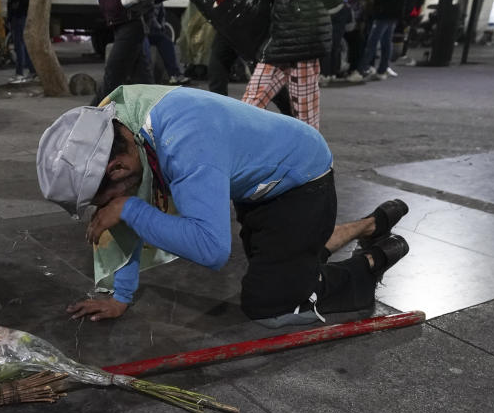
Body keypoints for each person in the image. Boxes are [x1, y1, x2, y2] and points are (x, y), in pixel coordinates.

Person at [36, 85, 410, 327]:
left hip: (302, 186)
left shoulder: (185, 143)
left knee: (270, 306)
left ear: (116, 167)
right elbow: (133, 203)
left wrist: (127, 209)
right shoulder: (116, 120)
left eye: (100, 200)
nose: (103, 209)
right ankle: (367, 225)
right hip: (259, 183)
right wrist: (121, 295)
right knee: (282, 260)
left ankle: (370, 263)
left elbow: (212, 249)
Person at [241, 0, 351, 130]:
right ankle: (239, 146)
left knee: (302, 115)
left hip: (300, 29)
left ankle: (310, 155)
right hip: (293, 31)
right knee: (254, 103)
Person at [94, 0, 159, 103]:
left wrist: (125, 0)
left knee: (112, 77)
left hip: (133, 17)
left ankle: (87, 121)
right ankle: (154, 118)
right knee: (142, 80)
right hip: (116, 19)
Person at [355, 0, 414, 80]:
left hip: (384, 11)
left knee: (373, 41)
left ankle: (360, 70)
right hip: (394, 12)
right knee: (386, 41)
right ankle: (382, 69)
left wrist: (376, 4)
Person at [1, 0, 36, 83]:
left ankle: (20, 73)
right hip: (17, 15)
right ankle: (32, 71)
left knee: (19, 44)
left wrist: (17, 9)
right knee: (23, 43)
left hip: (20, 15)